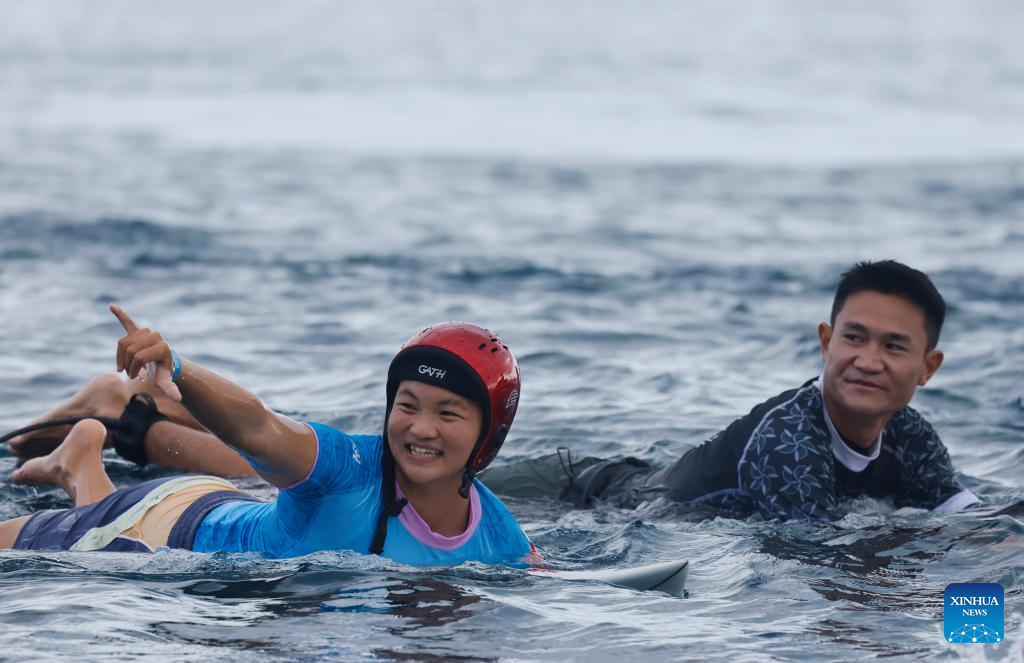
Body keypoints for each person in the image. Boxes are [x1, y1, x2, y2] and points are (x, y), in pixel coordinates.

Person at [0, 305, 533, 566]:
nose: (420, 428)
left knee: (98, 531)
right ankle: (82, 464)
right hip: (169, 525)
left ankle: (81, 460)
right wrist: (177, 366)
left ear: (490, 434)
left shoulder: (502, 537)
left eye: (448, 414)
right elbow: (258, 427)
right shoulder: (345, 467)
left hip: (208, 503)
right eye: (407, 405)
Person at [487, 260, 980, 521]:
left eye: (894, 347)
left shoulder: (910, 434)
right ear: (826, 342)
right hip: (576, 498)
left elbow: (968, 517)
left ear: (927, 368)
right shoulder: (790, 439)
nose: (868, 361)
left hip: (634, 479)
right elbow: (827, 563)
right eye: (854, 337)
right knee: (429, 488)